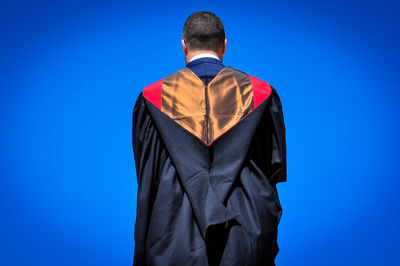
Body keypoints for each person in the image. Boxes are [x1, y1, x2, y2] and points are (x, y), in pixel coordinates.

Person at [132, 11, 287, 266]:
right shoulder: (261, 94)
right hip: (245, 234)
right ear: (224, 45)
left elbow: (147, 173)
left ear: (184, 46)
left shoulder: (152, 99)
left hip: (171, 236)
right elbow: (273, 168)